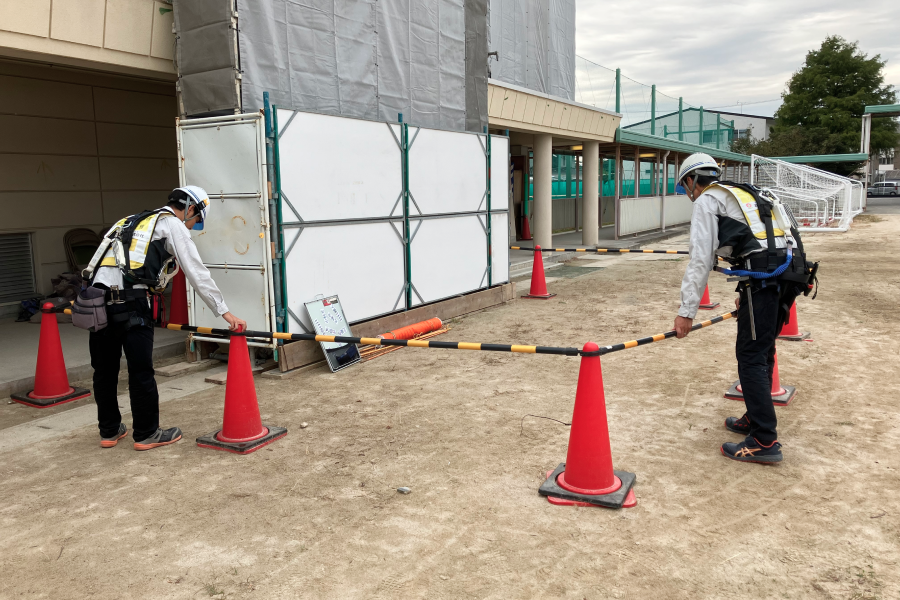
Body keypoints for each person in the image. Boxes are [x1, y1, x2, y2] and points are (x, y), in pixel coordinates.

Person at [672, 153, 815, 464]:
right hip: (791, 276)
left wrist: (686, 312)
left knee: (750, 355)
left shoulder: (708, 201)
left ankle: (764, 440)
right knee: (762, 350)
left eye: (685, 186)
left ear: (692, 180)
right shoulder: (749, 192)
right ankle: (754, 416)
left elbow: (700, 259)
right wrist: (752, 290)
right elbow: (773, 239)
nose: (688, 193)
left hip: (767, 279)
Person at [82, 186, 247, 451]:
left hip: (97, 303)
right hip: (133, 304)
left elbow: (94, 265)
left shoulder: (126, 222)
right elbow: (196, 271)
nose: (195, 225)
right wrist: (224, 312)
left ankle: (109, 431)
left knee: (104, 371)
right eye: (198, 220)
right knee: (140, 371)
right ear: (191, 208)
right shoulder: (171, 224)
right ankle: (147, 433)